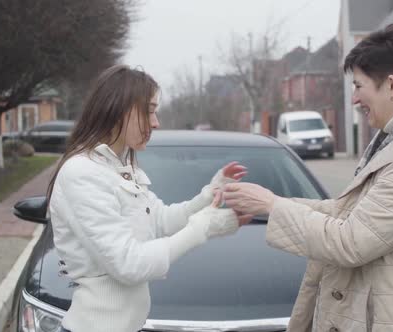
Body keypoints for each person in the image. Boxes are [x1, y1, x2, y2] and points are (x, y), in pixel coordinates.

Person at [223, 24, 393, 332]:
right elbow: (346, 213)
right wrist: (266, 204)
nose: (355, 99)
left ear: (392, 85)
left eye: (359, 86)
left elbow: (352, 241)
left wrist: (274, 206)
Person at [47, 65, 252, 332]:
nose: (156, 122)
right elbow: (129, 264)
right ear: (118, 108)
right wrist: (204, 227)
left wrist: (208, 196)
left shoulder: (119, 168)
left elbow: (161, 220)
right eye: (149, 110)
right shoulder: (82, 173)